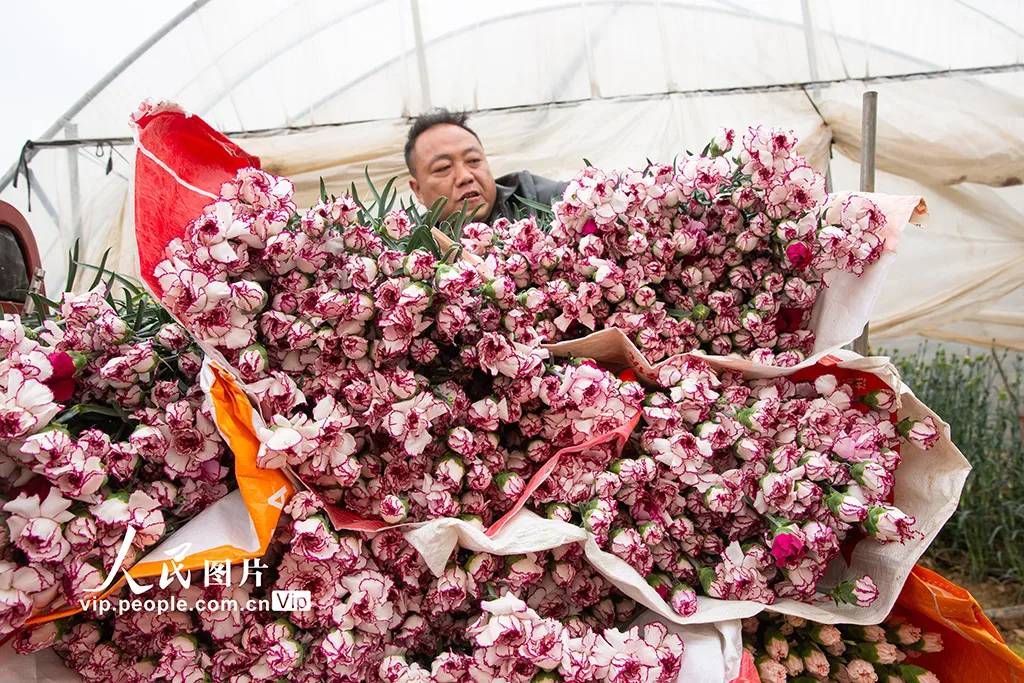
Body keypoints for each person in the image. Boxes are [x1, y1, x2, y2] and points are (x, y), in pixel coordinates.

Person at [404, 108, 567, 225]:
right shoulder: (409, 252)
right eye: (443, 168)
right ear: (418, 190)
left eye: (473, 160)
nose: (465, 177)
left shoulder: (539, 199)